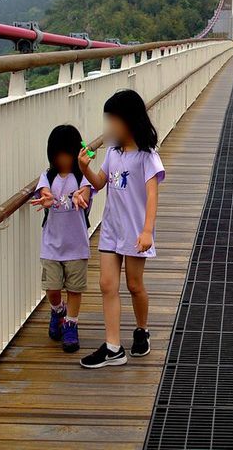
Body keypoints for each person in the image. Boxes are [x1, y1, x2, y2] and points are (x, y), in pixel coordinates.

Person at [77, 89, 165, 368]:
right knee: (106, 285)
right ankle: (113, 347)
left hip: (135, 230)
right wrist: (85, 169)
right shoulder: (113, 154)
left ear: (129, 120)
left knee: (134, 285)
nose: (110, 127)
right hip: (111, 229)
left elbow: (152, 195)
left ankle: (141, 329)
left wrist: (148, 231)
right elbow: (100, 182)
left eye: (114, 120)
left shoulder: (146, 156)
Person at [29, 124, 93, 353]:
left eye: (67, 154)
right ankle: (58, 310)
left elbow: (87, 190)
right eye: (58, 155)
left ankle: (71, 324)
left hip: (76, 245)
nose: (63, 160)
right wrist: (45, 198)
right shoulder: (47, 176)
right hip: (52, 245)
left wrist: (81, 196)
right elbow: (44, 192)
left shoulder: (83, 177)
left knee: (75, 288)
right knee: (52, 287)